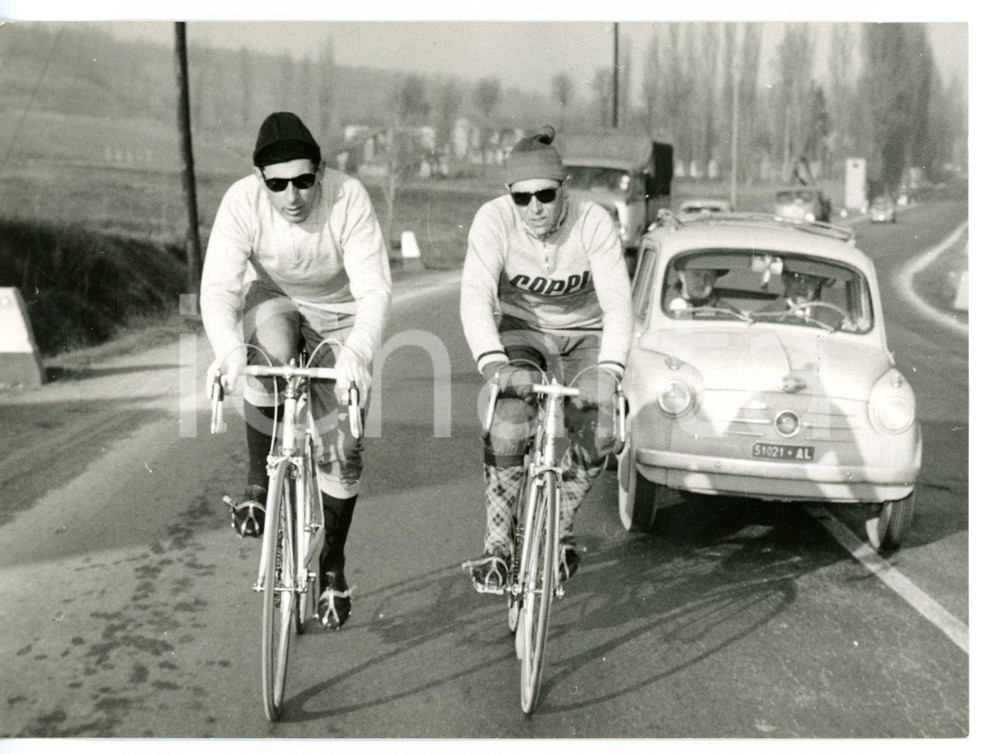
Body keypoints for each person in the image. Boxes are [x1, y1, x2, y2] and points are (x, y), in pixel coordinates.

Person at [201, 112, 392, 629]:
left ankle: (332, 563)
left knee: (342, 448)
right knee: (266, 357)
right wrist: (228, 351)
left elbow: (374, 288)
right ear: (261, 181)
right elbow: (219, 287)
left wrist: (355, 354)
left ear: (321, 172)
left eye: (304, 180)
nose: (292, 195)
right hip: (278, 300)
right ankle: (258, 485)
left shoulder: (349, 198)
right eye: (277, 184)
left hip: (342, 311)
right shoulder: (241, 202)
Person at [460, 126, 633, 592]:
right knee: (508, 421)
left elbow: (618, 303)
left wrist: (611, 373)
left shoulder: (594, 221)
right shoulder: (493, 221)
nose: (534, 207)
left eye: (545, 195)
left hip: (586, 337)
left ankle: (558, 522)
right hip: (523, 335)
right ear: (508, 196)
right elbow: (476, 295)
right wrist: (496, 365)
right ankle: (497, 545)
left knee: (603, 430)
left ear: (565, 189)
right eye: (523, 198)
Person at [665, 267, 737, 314]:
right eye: (696, 274)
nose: (702, 281)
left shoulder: (723, 311)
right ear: (682, 276)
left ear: (714, 281)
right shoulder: (660, 305)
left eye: (709, 276)